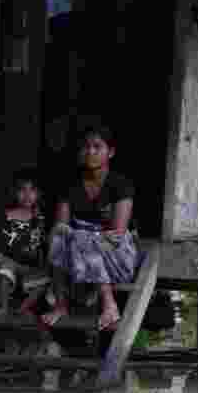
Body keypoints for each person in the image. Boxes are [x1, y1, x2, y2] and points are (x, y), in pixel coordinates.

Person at [42, 125, 138, 332]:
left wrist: (83, 235)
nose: (90, 152)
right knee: (59, 240)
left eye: (97, 147)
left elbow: (117, 234)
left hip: (116, 255)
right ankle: (60, 306)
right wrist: (78, 235)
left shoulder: (121, 184)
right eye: (86, 147)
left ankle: (109, 303)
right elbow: (61, 227)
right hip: (78, 253)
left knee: (84, 239)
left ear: (110, 152)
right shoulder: (70, 185)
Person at [0, 168, 48, 316]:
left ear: (38, 194)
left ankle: (24, 307)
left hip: (29, 265)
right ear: (14, 193)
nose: (27, 195)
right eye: (22, 190)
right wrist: (0, 258)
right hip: (9, 261)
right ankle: (3, 307)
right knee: (4, 271)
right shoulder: (7, 215)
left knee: (44, 282)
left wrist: (37, 220)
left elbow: (37, 245)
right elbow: (0, 243)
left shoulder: (39, 219)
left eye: (32, 190)